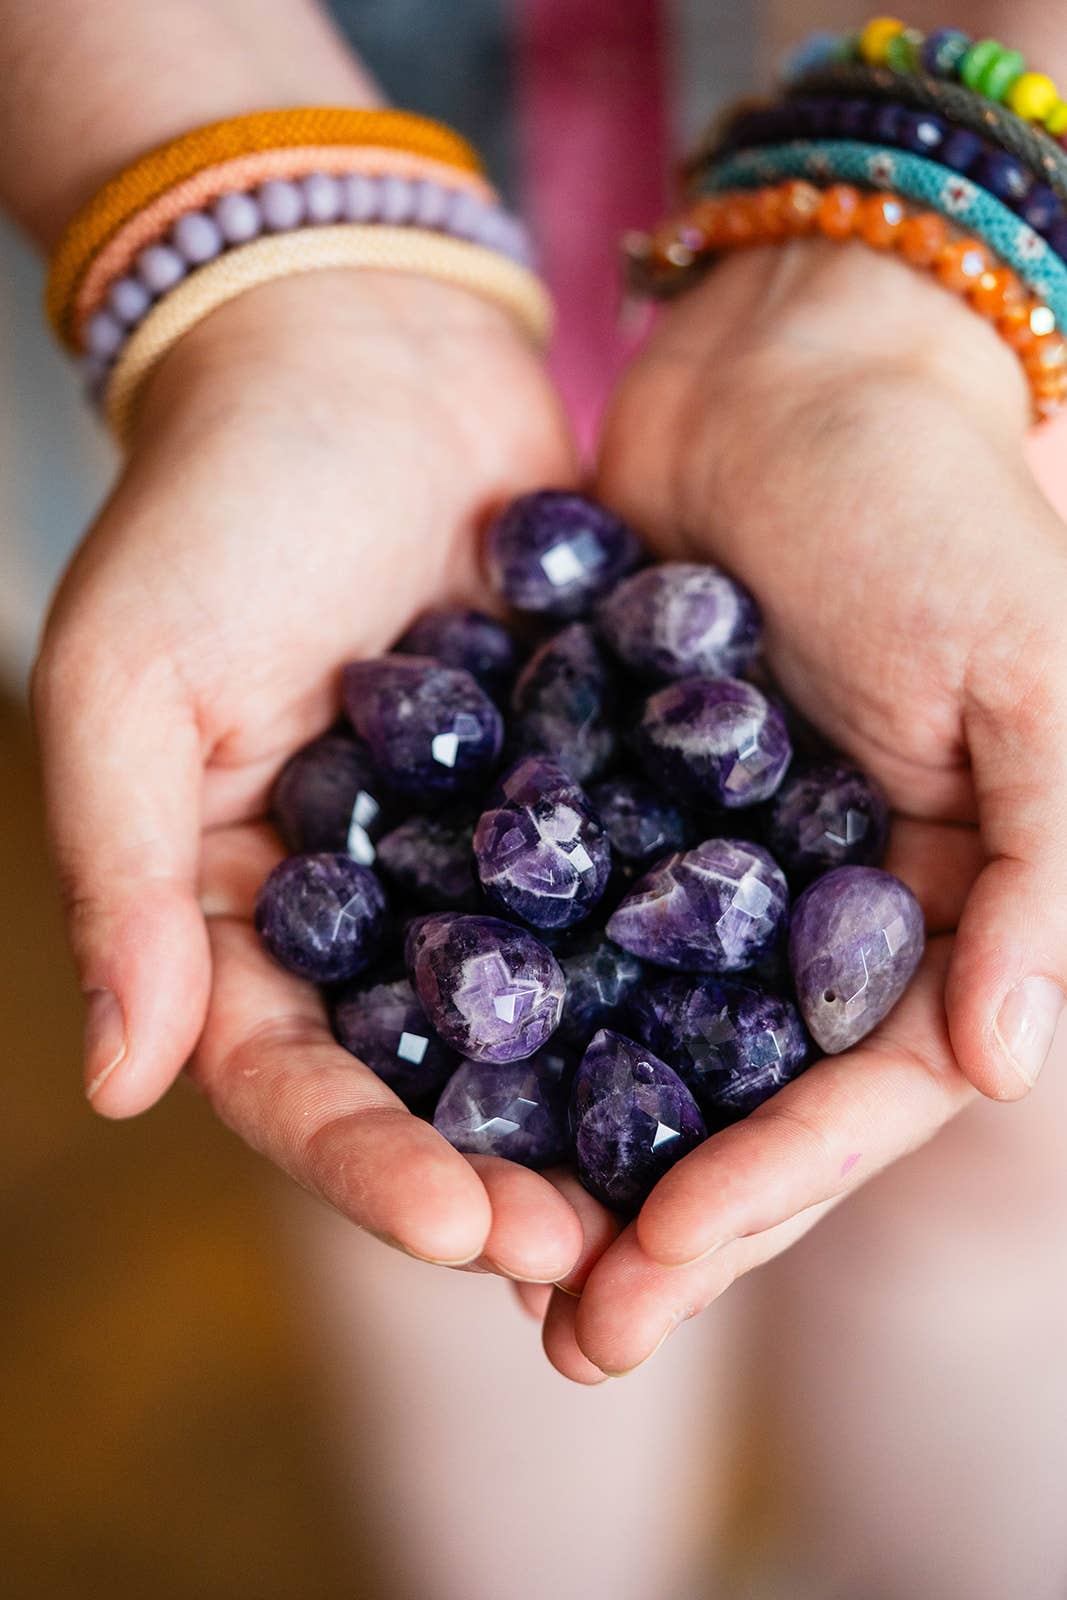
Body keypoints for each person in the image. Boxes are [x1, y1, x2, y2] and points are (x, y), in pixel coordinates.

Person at [5, 1, 1067, 1593]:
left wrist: (909, 306)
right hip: (260, 276)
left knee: (1003, 1159)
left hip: (930, 298)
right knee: (447, 1250)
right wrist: (244, 246)